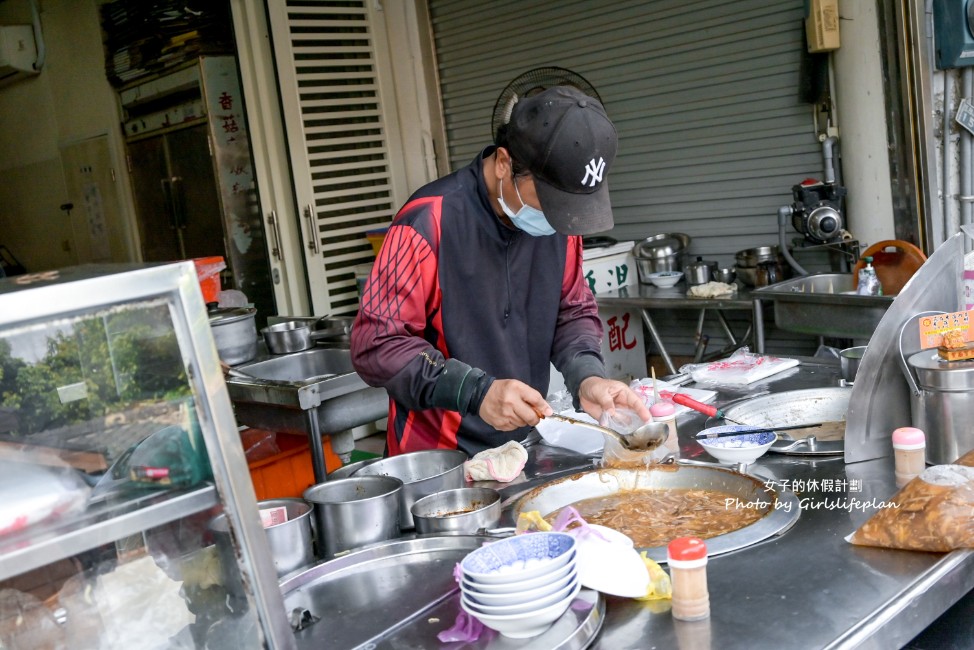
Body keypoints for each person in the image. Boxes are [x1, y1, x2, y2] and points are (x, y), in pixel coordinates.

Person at [350, 85, 651, 456]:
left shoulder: (560, 224)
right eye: (551, 201)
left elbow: (571, 312)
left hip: (523, 447)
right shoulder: (427, 223)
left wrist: (587, 377)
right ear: (505, 164)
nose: (560, 219)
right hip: (439, 461)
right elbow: (376, 343)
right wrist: (476, 392)